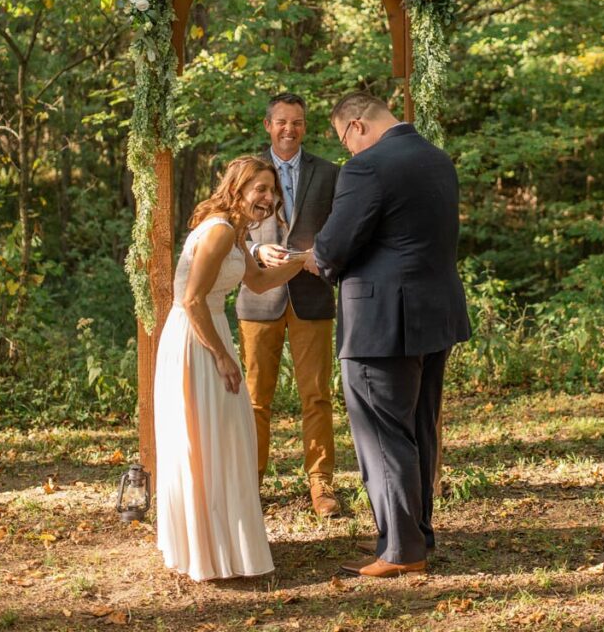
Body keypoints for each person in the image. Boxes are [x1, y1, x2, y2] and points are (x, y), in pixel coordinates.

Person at [307, 92, 471, 578]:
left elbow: (335, 245)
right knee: (419, 427)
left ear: (357, 126)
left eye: (344, 141)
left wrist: (313, 258)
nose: (348, 153)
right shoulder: (437, 159)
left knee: (382, 433)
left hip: (380, 322)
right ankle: (418, 534)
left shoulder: (368, 168)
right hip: (434, 316)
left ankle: (401, 551)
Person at [154, 156, 306, 582]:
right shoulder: (220, 230)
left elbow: (258, 282)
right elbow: (191, 300)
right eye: (259, 189)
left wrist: (309, 260)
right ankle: (208, 550)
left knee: (221, 438)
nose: (268, 198)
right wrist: (221, 355)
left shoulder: (236, 232)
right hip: (196, 338)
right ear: (237, 188)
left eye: (271, 190)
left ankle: (221, 546)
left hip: (211, 329)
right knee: (208, 438)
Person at [236, 93, 341, 517]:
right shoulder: (248, 172)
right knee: (256, 398)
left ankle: (321, 485)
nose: (289, 129)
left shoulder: (330, 173)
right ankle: (250, 481)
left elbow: (341, 225)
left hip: (311, 293)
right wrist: (256, 253)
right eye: (281, 122)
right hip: (259, 295)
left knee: (316, 396)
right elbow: (229, 224)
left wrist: (325, 253)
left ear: (305, 126)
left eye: (297, 122)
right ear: (268, 125)